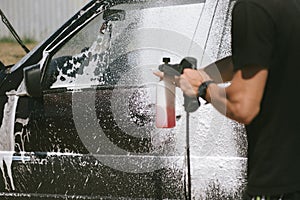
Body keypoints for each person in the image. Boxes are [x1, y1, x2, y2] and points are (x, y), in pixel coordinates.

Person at [156, 0, 300, 199]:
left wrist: (203, 87)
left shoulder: (252, 8)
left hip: (278, 183)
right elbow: (253, 57)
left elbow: (242, 107)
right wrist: (200, 74)